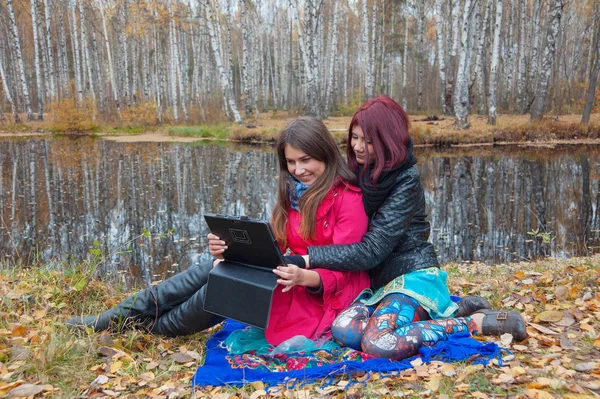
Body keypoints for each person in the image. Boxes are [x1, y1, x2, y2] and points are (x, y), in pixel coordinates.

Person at [66, 117, 370, 345]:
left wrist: (308, 277)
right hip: (292, 275)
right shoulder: (295, 193)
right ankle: (115, 318)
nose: (298, 169)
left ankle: (147, 327)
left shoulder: (349, 200)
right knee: (213, 266)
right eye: (290, 162)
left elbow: (348, 265)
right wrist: (233, 248)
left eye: (306, 160)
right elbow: (276, 242)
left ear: (327, 156)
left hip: (326, 292)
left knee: (225, 287)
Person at [276, 96, 528, 359]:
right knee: (343, 330)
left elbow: (371, 250)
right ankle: (451, 311)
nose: (358, 147)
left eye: (369, 141)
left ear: (388, 140)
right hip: (378, 285)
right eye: (355, 137)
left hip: (411, 276)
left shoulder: (406, 181)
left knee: (378, 344)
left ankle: (476, 322)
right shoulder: (360, 171)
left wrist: (307, 259)